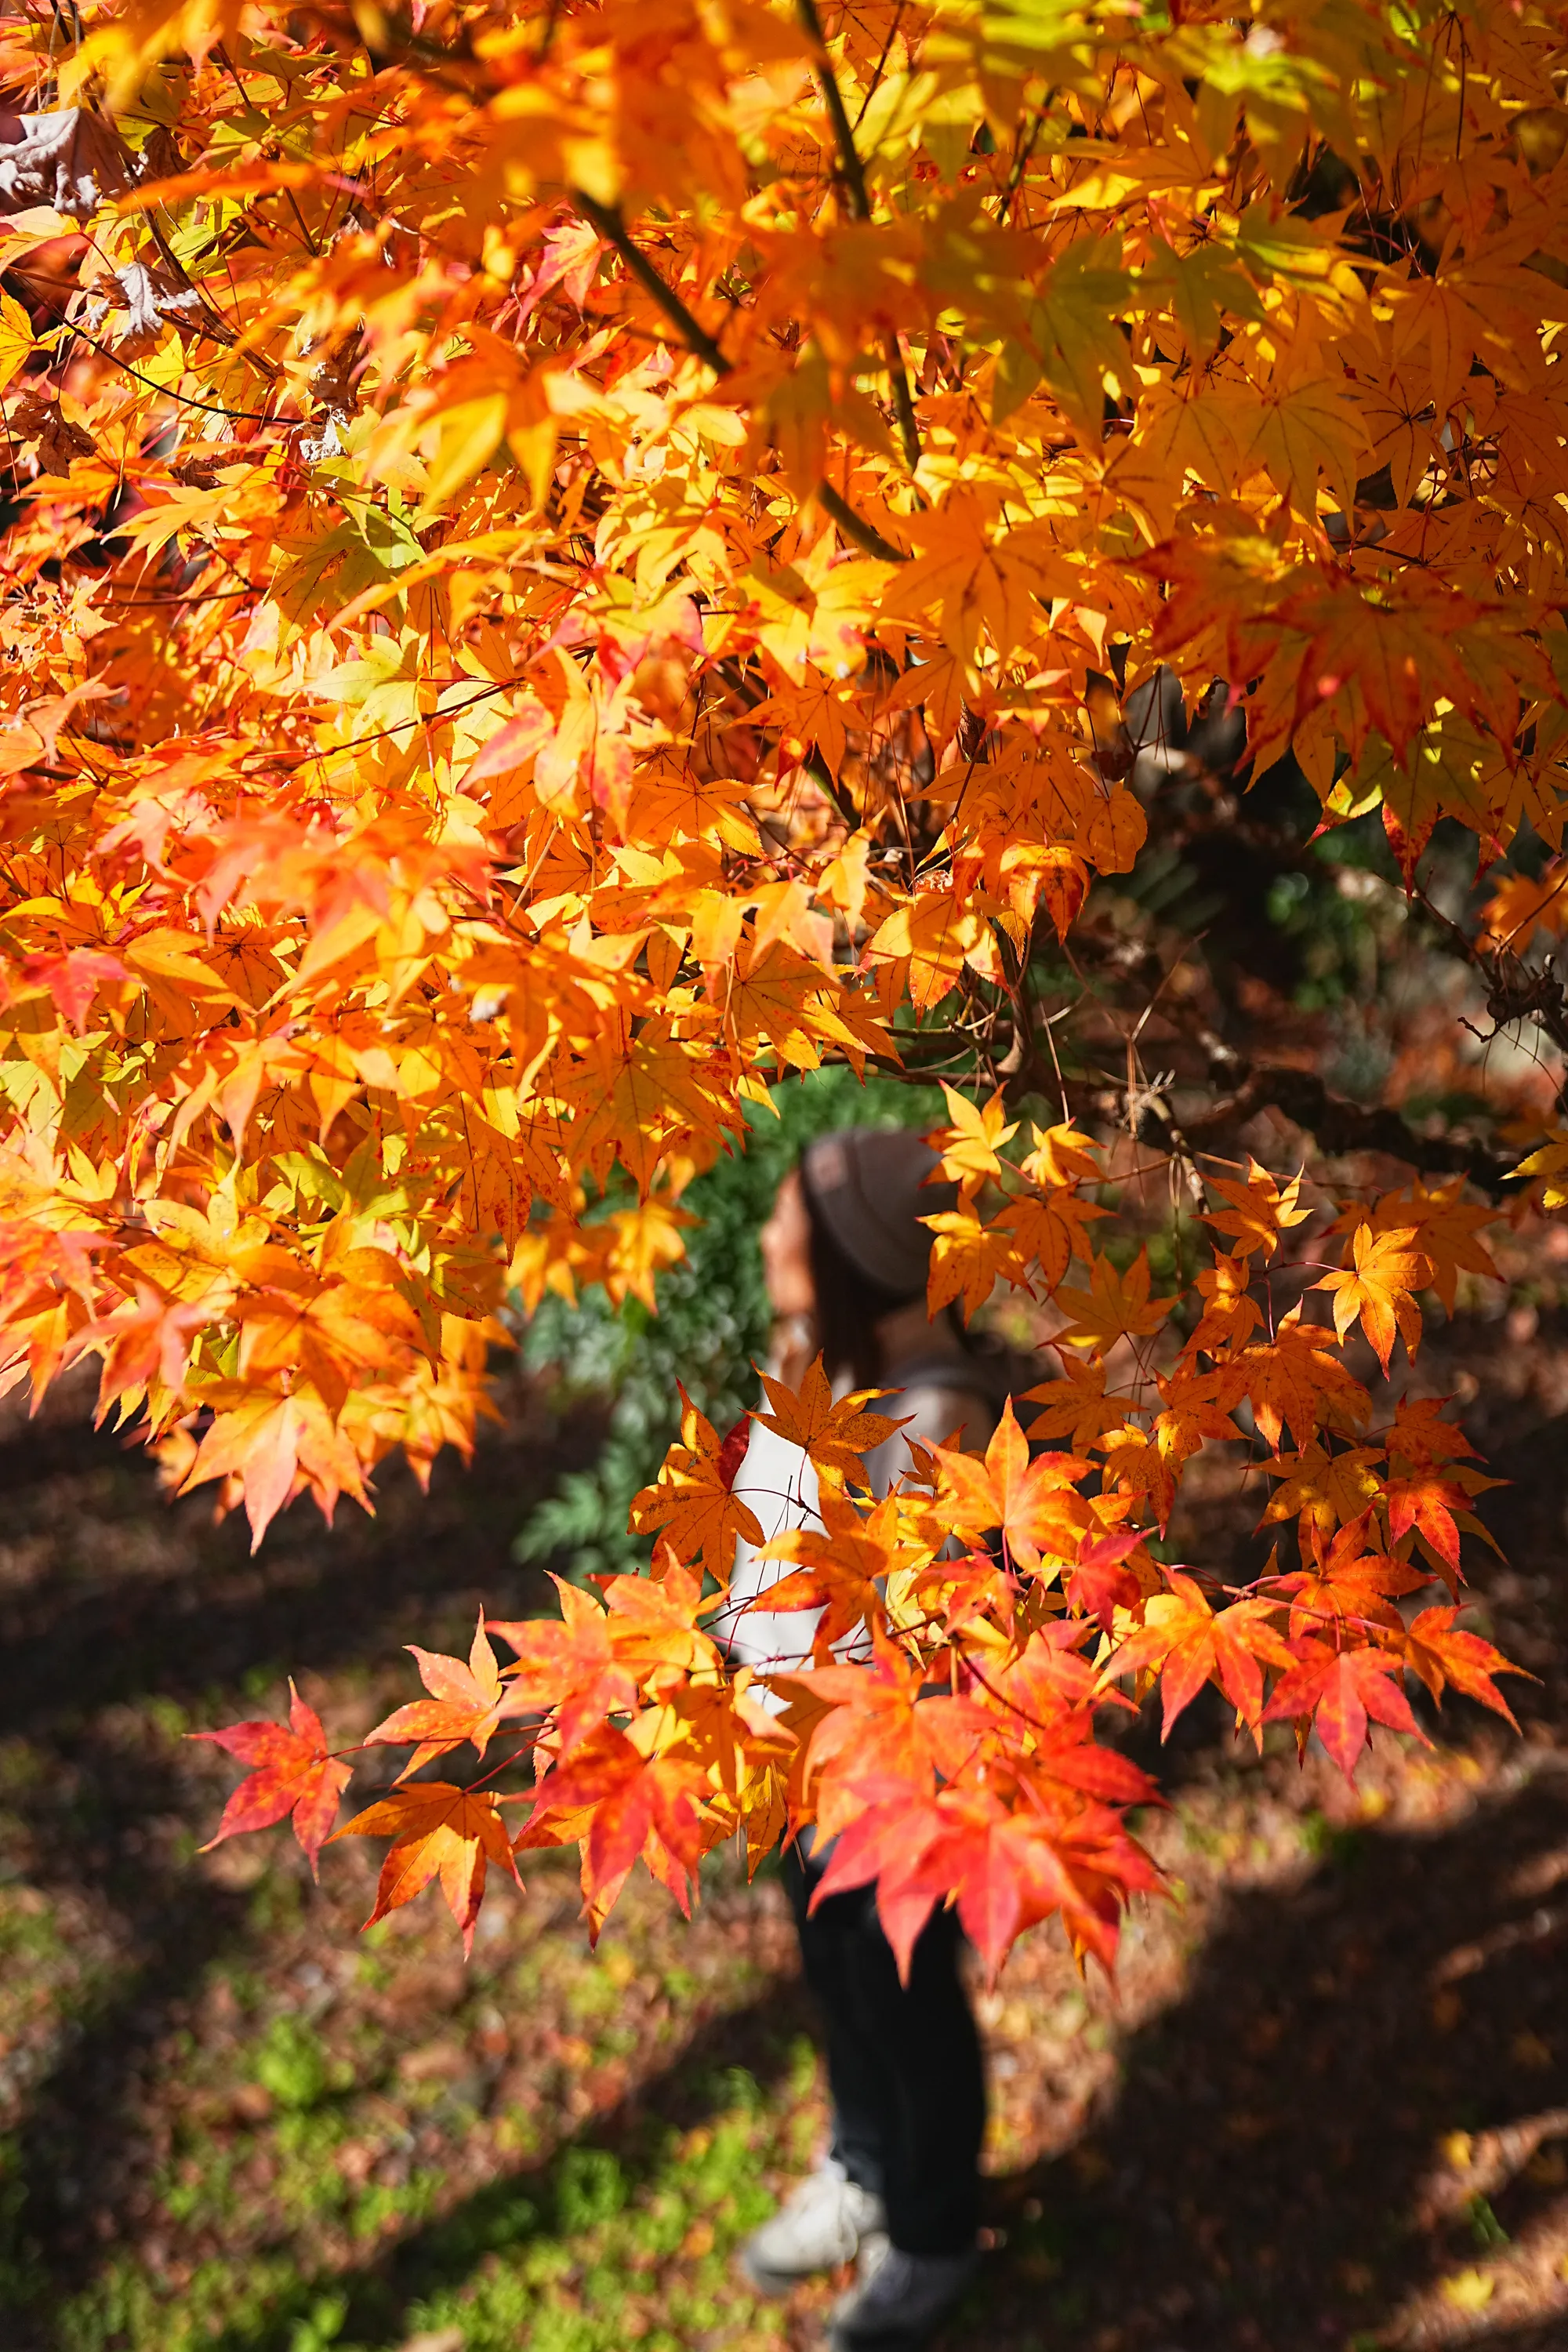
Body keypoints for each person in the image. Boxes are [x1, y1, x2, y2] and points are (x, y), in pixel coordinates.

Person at [727, 1127, 1000, 2352]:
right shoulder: (817, 1369)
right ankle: (863, 2164)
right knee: (836, 1972)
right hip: (797, 1766)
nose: (774, 1235)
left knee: (902, 1990)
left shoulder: (934, 1419)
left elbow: (920, 1651)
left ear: (859, 1258)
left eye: (795, 1219)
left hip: (886, 1783)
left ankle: (933, 2233)